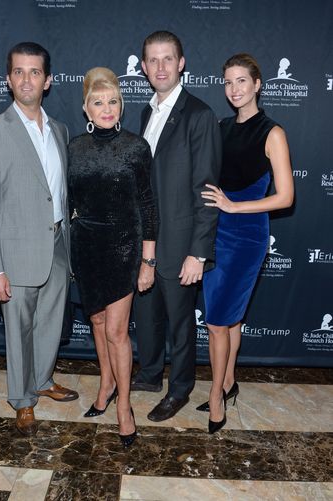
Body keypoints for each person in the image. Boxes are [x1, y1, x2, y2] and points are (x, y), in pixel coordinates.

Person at [0, 42, 79, 437]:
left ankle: (43, 380)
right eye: (18, 71)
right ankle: (22, 399)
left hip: (57, 247)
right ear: (8, 79)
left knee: (49, 324)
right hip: (14, 255)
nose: (26, 79)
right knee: (19, 329)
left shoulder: (61, 130)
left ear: (48, 81)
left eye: (34, 72)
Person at [199, 53, 294, 433]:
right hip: (214, 233)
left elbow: (286, 197)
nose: (234, 89)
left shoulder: (273, 132)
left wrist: (235, 206)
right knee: (230, 319)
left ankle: (215, 398)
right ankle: (227, 381)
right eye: (228, 81)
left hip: (246, 236)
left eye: (242, 81)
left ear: (257, 84)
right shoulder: (221, 127)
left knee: (218, 323)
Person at [131, 31, 222, 422]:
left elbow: (206, 190)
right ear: (144, 67)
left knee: (182, 325)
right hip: (146, 242)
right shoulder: (146, 112)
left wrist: (198, 252)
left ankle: (180, 388)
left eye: (168, 59)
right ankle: (150, 374)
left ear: (181, 63)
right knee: (148, 315)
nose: (161, 67)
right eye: (153, 60)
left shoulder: (199, 115)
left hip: (181, 243)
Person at [68, 67, 157, 447]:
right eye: (98, 102)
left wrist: (147, 259)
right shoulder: (74, 148)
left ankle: (124, 405)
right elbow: (69, 199)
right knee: (98, 320)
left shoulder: (137, 147)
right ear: (86, 109)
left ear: (122, 105)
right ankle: (105, 383)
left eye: (113, 101)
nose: (106, 109)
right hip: (87, 246)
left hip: (124, 245)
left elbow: (149, 205)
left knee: (118, 331)